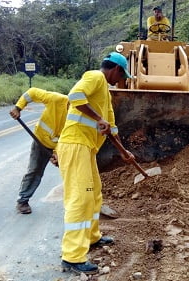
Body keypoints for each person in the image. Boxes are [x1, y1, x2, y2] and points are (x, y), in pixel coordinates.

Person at [57, 52, 135, 274]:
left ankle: (92, 237)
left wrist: (124, 151)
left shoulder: (105, 95)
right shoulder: (95, 77)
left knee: (94, 193)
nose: (120, 80)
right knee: (80, 198)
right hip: (74, 145)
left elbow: (111, 128)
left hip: (86, 149)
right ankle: (72, 257)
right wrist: (98, 119)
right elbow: (74, 96)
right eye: (121, 75)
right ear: (115, 70)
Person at [9, 88, 69, 214]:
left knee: (71, 173)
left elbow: (68, 136)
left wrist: (57, 154)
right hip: (40, 140)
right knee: (35, 170)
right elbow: (32, 93)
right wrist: (18, 107)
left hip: (60, 146)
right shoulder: (56, 99)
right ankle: (22, 201)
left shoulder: (79, 116)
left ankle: (78, 202)